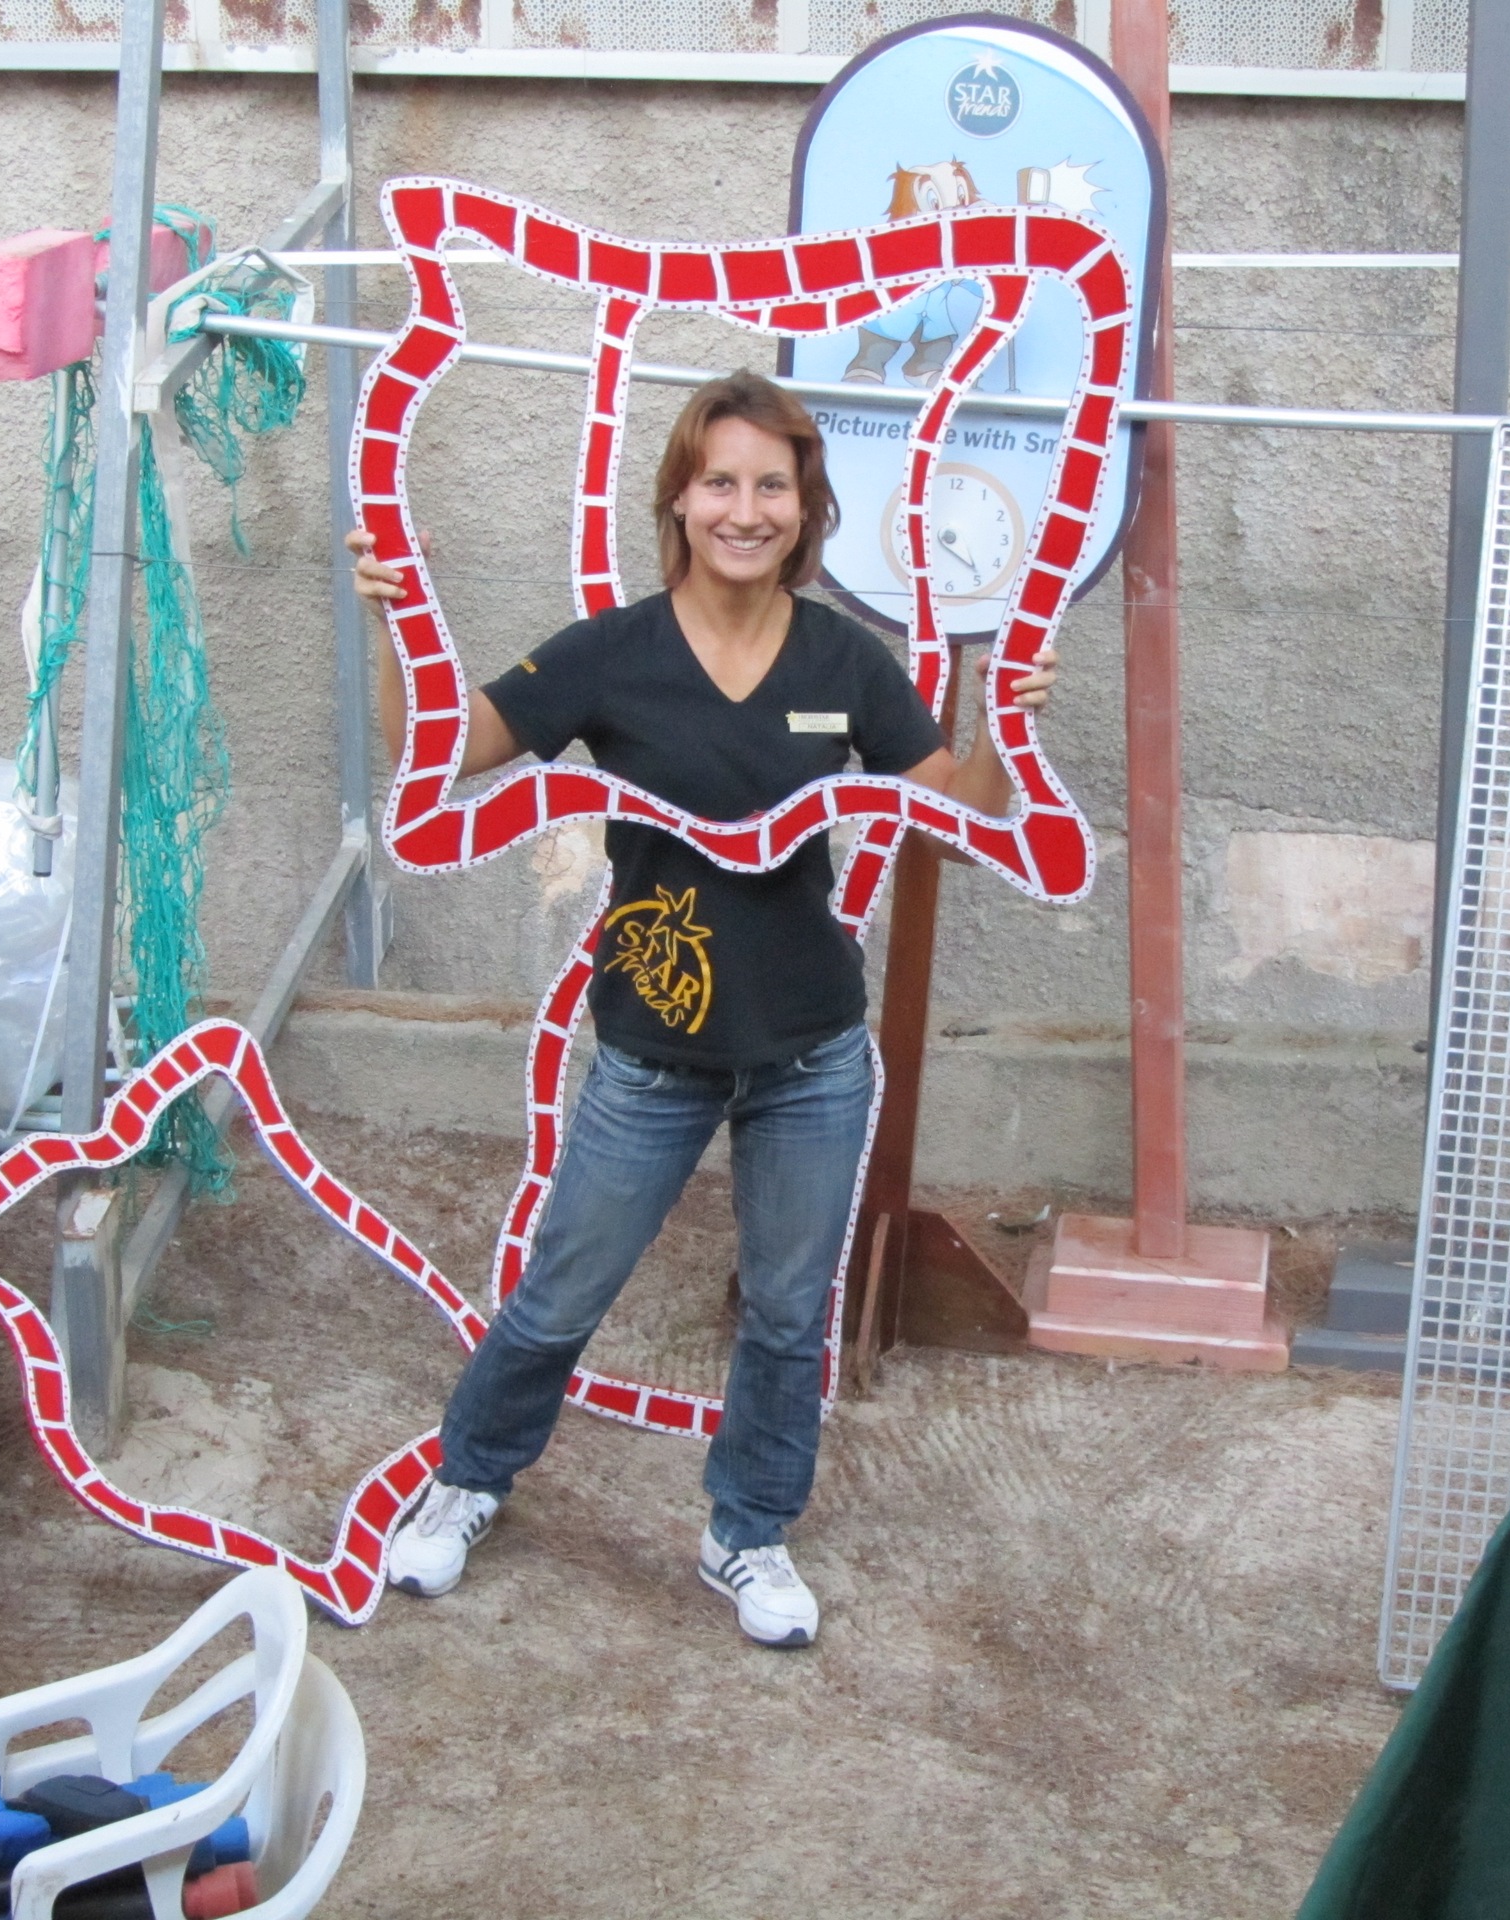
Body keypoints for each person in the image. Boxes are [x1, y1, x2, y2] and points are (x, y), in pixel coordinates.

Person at [346, 368, 1055, 1648]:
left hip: (812, 1054)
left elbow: (958, 814)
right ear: (678, 498)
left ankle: (749, 1533)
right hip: (653, 1052)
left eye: (771, 486)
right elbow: (436, 758)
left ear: (805, 508)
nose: (745, 509)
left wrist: (1002, 712)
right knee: (560, 1295)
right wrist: (397, 623)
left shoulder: (844, 659)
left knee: (787, 1317)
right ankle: (468, 1479)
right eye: (720, 481)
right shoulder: (610, 653)